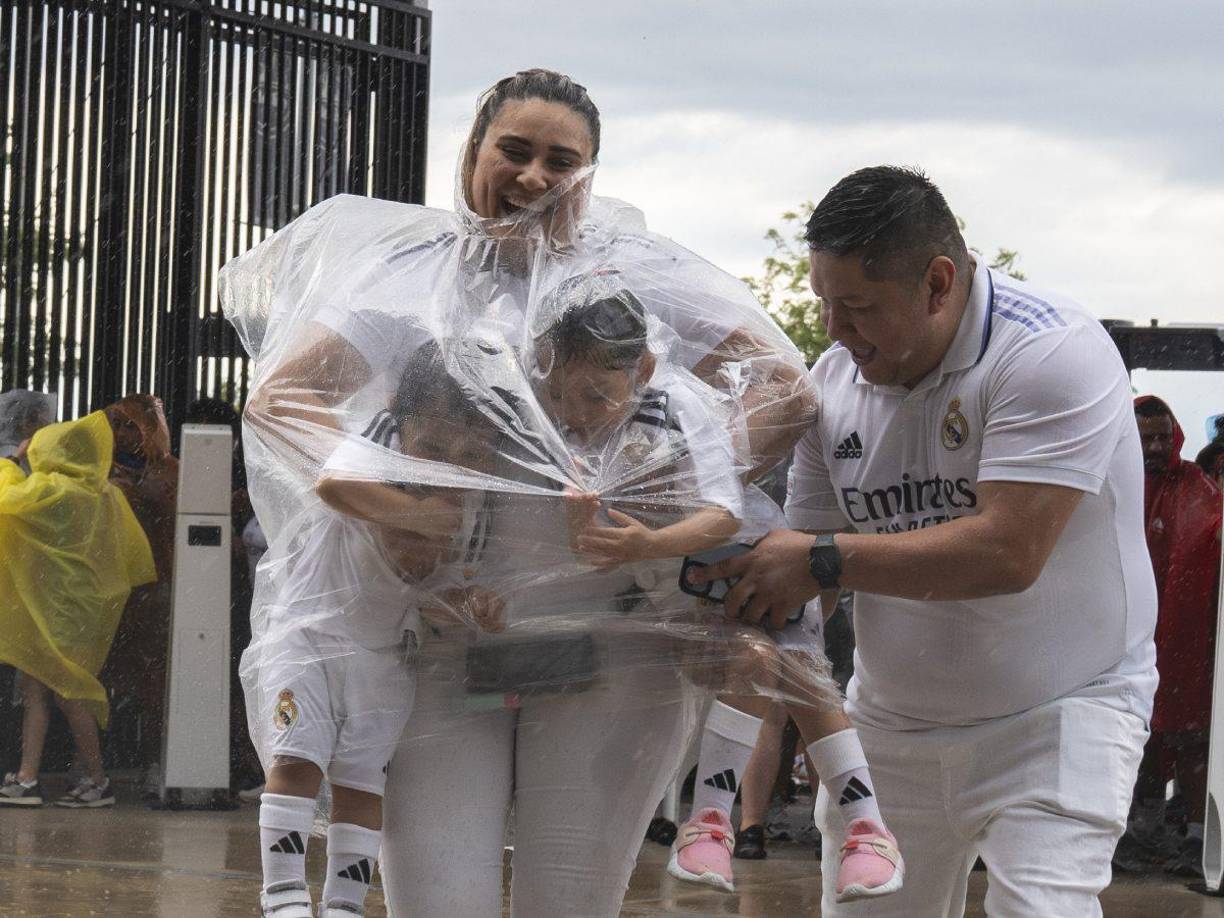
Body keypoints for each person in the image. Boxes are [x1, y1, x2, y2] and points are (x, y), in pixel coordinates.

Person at [220, 68, 816, 918]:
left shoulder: (637, 278)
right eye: (516, 151)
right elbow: (282, 400)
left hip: (609, 655)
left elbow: (785, 389)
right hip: (438, 644)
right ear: (473, 151)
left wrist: (662, 487)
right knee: (438, 906)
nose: (536, 177)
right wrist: (401, 505)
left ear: (590, 174)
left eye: (561, 161)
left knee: (569, 905)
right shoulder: (408, 280)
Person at [693, 165, 1158, 916]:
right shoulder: (835, 380)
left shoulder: (1049, 353)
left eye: (858, 307)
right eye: (824, 303)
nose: (835, 331)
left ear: (938, 284)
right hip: (891, 720)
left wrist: (820, 558)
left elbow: (1008, 553)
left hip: (1061, 710)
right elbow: (798, 577)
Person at [249, 346, 506, 918]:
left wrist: (472, 606)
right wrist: (418, 514)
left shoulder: (478, 498)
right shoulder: (375, 444)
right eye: (433, 447)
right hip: (310, 635)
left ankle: (344, 902)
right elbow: (334, 485)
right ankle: (284, 893)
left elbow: (437, 593)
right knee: (296, 762)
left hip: (388, 653)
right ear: (399, 413)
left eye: (468, 452)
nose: (445, 463)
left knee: (363, 783)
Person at [0, 412, 157, 808]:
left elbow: (7, 499)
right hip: (85, 610)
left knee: (65, 693)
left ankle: (96, 779)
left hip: (55, 610)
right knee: (47, 690)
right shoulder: (104, 493)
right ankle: (28, 777)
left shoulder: (54, 489)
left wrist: (10, 462)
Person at [1130, 395, 1222, 876]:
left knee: (1188, 736)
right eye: (1147, 438)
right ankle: (1141, 828)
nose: (1158, 446)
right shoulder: (1116, 482)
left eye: (1164, 436)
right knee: (1137, 735)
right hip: (1128, 636)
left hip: (1183, 639)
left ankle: (1195, 833)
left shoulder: (1196, 485)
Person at [100, 394, 179, 795]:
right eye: (114, 423)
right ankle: (92, 766)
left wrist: (143, 496)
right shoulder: (95, 467)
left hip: (157, 586)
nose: (120, 433)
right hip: (106, 589)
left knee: (153, 682)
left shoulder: (169, 470)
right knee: (100, 676)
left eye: (130, 424)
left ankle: (153, 761)